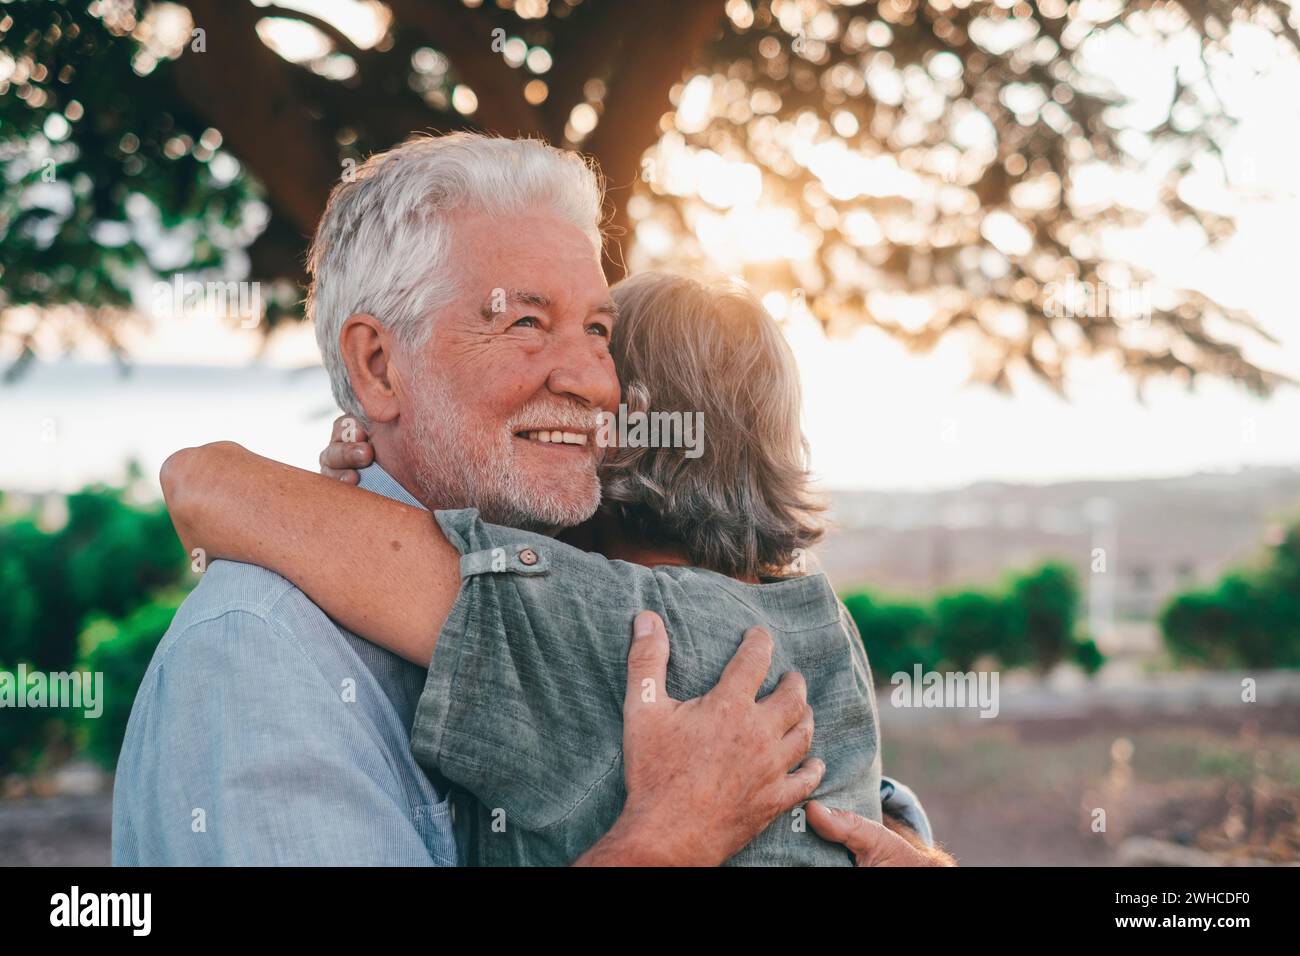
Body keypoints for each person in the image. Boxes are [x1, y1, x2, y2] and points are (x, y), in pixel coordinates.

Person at [118, 132, 948, 866]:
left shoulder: (591, 615)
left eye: (598, 331)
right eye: (523, 323)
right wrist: (665, 841)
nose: (592, 381)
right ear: (377, 367)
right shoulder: (262, 657)